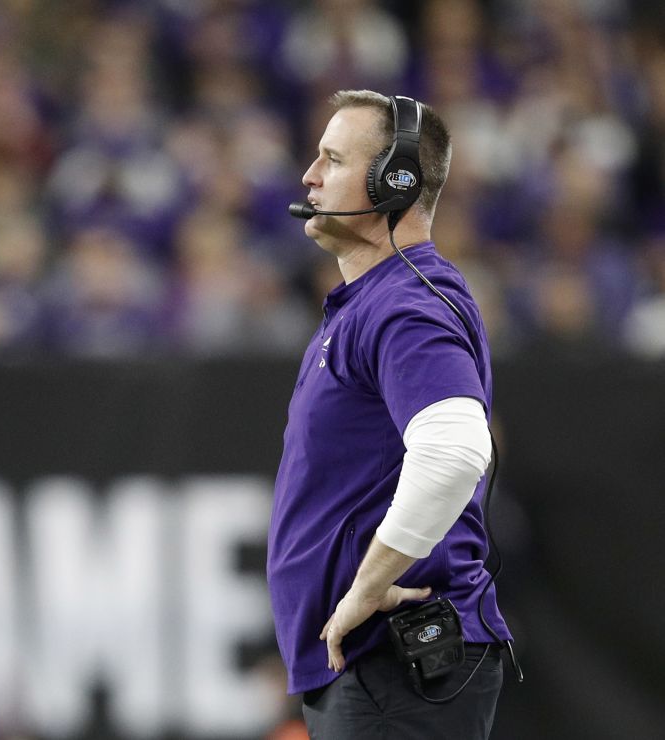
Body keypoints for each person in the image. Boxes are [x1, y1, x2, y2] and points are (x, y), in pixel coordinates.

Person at [267, 90, 514, 739]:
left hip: (397, 663)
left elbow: (456, 451)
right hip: (378, 669)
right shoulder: (370, 303)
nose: (309, 177)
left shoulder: (403, 304)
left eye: (331, 159)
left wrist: (366, 588)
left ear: (393, 181)